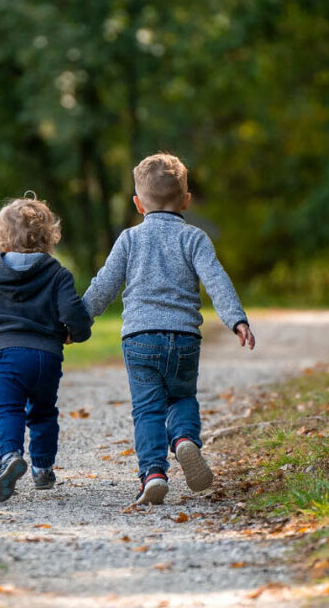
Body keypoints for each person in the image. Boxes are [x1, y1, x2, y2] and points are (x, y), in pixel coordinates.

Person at [83, 153, 255, 505]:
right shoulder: (194, 238)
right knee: (182, 397)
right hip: (185, 338)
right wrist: (236, 319)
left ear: (137, 203)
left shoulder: (129, 240)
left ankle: (153, 474)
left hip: (140, 339)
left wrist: (77, 320)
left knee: (147, 409)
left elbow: (104, 285)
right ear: (186, 200)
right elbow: (216, 281)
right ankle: (184, 439)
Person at [0, 196, 93, 502]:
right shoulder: (58, 274)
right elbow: (73, 314)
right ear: (48, 238)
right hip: (47, 358)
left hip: (9, 357)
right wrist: (77, 334)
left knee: (7, 409)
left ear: (2, 239)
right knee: (44, 412)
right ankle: (43, 469)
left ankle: (10, 456)